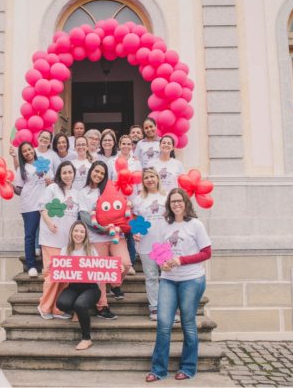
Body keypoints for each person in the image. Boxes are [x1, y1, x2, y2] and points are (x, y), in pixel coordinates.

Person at [146, 188, 212, 382]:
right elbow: (159, 252)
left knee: (188, 324)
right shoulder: (164, 226)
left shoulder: (196, 225)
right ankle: (158, 369)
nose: (176, 204)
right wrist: (162, 263)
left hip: (192, 279)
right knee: (163, 324)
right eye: (173, 201)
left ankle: (188, 367)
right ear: (169, 205)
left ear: (186, 203)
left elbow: (206, 253)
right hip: (168, 280)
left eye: (179, 201)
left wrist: (181, 260)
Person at [78, 161, 132, 320]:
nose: (99, 175)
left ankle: (115, 285)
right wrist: (102, 229)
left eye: (102, 173)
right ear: (91, 171)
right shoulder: (83, 193)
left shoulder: (111, 189)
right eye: (96, 171)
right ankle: (102, 306)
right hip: (96, 237)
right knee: (99, 273)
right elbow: (85, 216)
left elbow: (122, 208)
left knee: (125, 264)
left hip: (117, 236)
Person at [37, 161, 79, 320]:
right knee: (52, 274)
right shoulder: (52, 188)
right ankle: (44, 306)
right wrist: (49, 223)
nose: (68, 175)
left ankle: (57, 308)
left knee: (64, 276)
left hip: (67, 243)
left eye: (70, 172)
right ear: (60, 175)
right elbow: (42, 208)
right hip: (51, 239)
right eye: (64, 173)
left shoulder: (76, 193)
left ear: (74, 174)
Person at [9, 142, 54, 277]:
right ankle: (31, 266)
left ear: (33, 150)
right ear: (21, 154)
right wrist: (10, 185)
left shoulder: (45, 164)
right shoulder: (22, 169)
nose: (28, 152)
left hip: (45, 205)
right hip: (29, 205)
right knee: (30, 236)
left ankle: (47, 265)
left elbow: (53, 184)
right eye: (24, 151)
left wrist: (50, 182)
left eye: (29, 149)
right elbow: (19, 190)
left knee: (47, 234)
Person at [55, 221, 101, 350]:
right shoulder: (65, 250)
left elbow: (100, 271)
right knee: (61, 304)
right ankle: (79, 308)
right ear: (71, 233)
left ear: (85, 234)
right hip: (74, 287)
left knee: (80, 304)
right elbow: (61, 272)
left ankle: (86, 338)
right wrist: (54, 267)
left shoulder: (91, 250)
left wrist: (115, 270)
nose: (78, 234)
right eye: (76, 231)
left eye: (82, 231)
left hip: (91, 288)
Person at [132, 169, 168, 321]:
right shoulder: (139, 199)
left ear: (158, 178)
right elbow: (134, 220)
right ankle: (155, 308)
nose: (149, 179)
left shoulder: (167, 196)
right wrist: (134, 232)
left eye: (152, 176)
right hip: (147, 245)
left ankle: (169, 307)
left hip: (165, 245)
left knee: (168, 277)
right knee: (151, 277)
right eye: (146, 178)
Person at [110, 135, 142, 275]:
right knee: (116, 233)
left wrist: (138, 200)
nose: (126, 146)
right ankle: (117, 263)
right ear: (119, 144)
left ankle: (131, 264)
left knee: (130, 234)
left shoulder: (136, 162)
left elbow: (139, 182)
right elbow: (111, 181)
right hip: (116, 203)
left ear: (132, 145)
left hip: (132, 201)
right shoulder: (112, 161)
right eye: (124, 144)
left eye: (129, 144)